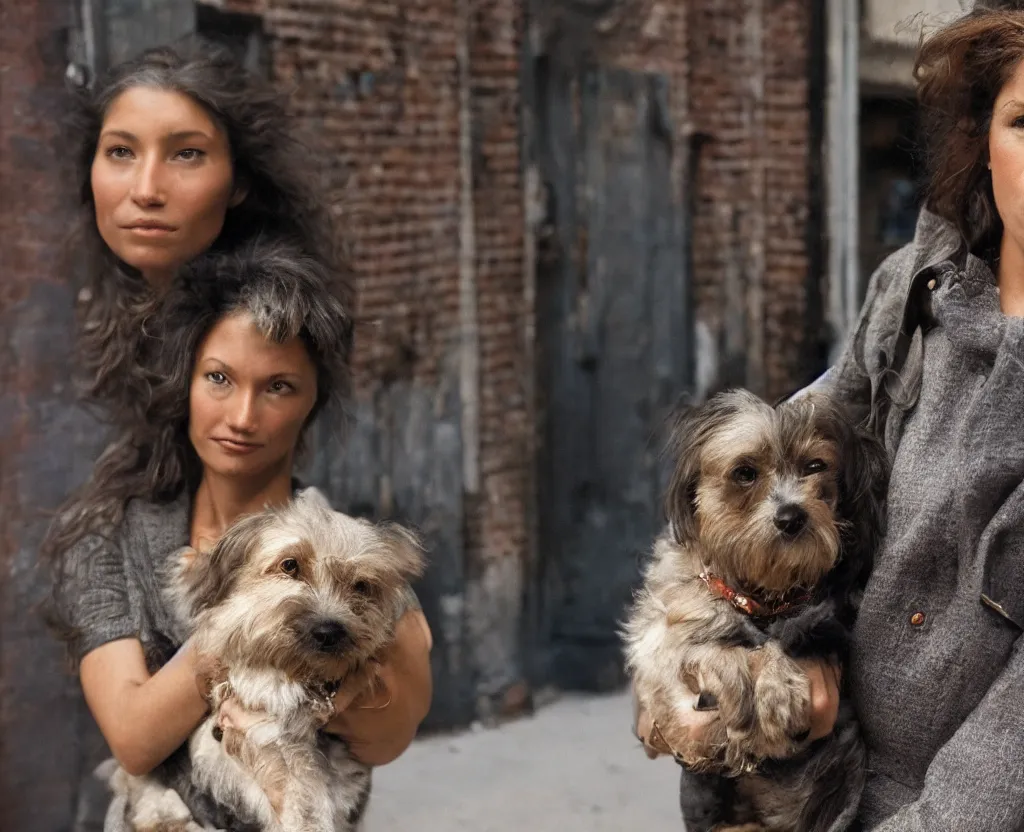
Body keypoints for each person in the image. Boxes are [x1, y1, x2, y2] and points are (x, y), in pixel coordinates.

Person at [637, 6, 1024, 830]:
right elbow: (783, 440)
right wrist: (680, 646)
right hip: (794, 769)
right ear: (982, 140)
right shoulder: (917, 290)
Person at [43, 38, 432, 825]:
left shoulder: (284, 311)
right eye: (120, 153)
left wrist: (374, 644)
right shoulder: (108, 486)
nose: (146, 190)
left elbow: (392, 715)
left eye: (185, 154)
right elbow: (132, 730)